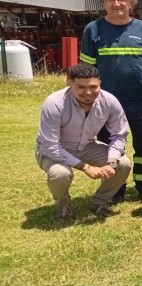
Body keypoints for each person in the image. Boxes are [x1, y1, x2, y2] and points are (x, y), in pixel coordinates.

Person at [80, 0, 142, 200]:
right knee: (110, 147)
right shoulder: (93, 30)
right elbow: (86, 71)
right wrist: (87, 100)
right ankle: (115, 189)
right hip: (106, 104)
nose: (116, 3)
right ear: (104, 3)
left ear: (130, 2)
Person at [36, 63, 132, 218]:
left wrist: (111, 163)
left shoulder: (109, 101)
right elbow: (50, 145)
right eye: (81, 87)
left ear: (100, 83)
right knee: (60, 174)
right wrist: (85, 167)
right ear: (69, 82)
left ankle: (99, 203)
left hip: (86, 147)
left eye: (93, 87)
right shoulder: (54, 103)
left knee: (124, 164)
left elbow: (119, 135)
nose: (88, 92)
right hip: (54, 150)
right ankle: (63, 206)